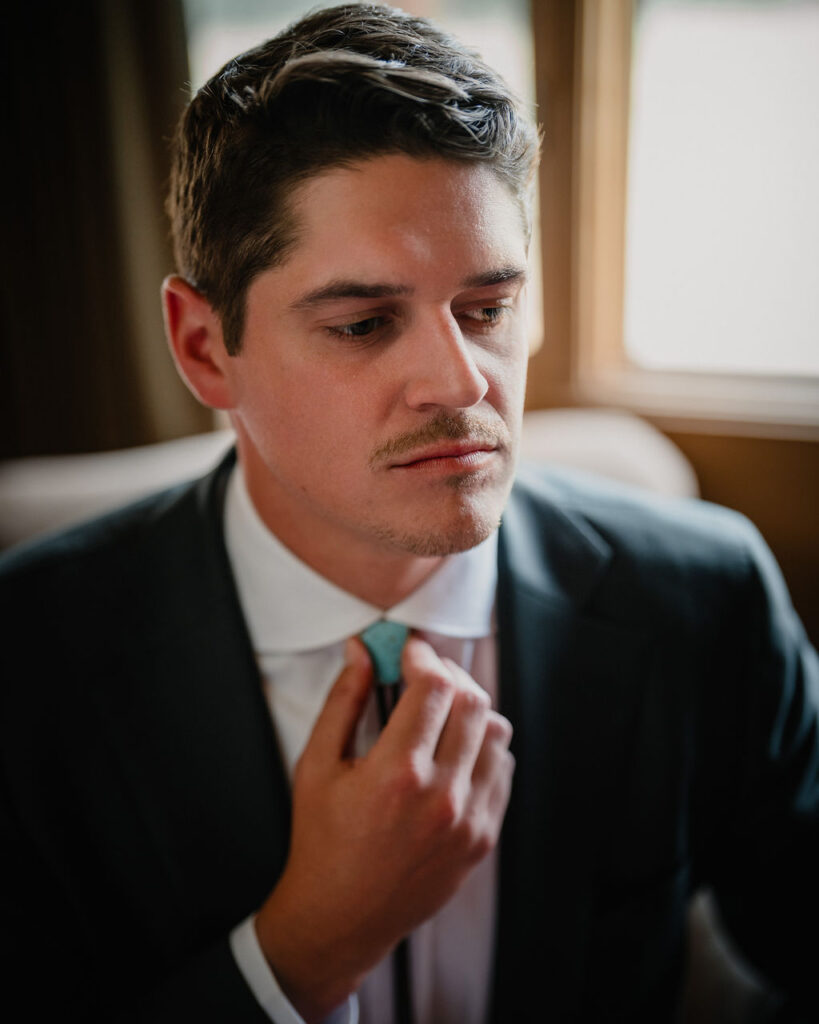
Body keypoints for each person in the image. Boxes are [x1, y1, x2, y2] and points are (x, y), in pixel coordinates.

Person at [1, 4, 817, 1022]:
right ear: (206, 347)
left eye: (487, 308)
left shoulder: (706, 600)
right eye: (363, 322)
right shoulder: (27, 660)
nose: (459, 378)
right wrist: (298, 954)